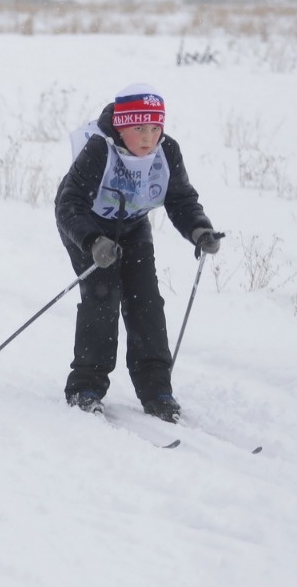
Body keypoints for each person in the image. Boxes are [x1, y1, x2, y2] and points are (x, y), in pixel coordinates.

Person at [54, 83, 222, 423]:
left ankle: (157, 390)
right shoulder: (99, 150)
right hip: (89, 229)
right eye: (139, 128)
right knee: (103, 297)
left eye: (155, 128)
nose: (148, 137)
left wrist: (199, 230)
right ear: (121, 126)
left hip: (132, 227)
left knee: (146, 301)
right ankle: (85, 387)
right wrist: (92, 242)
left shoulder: (166, 151)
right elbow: (68, 204)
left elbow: (181, 199)